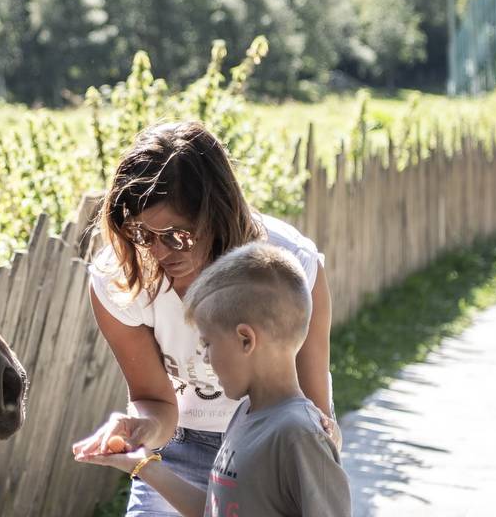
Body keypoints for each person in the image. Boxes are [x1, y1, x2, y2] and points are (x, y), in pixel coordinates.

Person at [71, 122, 335, 517]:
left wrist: (315, 455)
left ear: (217, 214)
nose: (159, 252)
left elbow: (312, 412)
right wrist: (139, 429)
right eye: (142, 234)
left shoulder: (287, 266)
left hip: (269, 444)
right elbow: (155, 401)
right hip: (177, 445)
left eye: (176, 235)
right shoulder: (121, 281)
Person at [76, 243, 349, 516]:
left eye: (207, 344)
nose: (204, 358)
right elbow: (215, 510)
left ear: (245, 339)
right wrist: (143, 465)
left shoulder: (299, 434)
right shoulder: (245, 414)